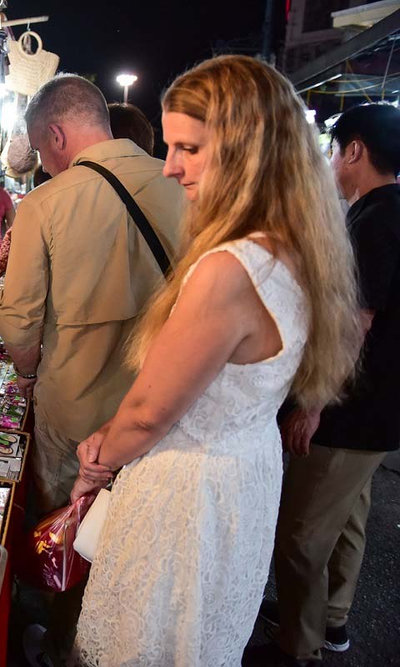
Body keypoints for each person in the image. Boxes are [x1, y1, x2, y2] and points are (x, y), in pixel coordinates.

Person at [69, 55, 362, 666]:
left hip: (189, 490)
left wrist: (98, 459)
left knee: (149, 643)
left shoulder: (231, 268)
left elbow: (150, 412)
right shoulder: (297, 249)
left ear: (248, 150)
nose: (171, 167)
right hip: (243, 476)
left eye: (190, 148)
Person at [0, 74, 183, 518]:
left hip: (74, 411)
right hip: (164, 405)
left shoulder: (44, 204)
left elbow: (19, 319)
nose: (43, 165)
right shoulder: (185, 190)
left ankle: (61, 592)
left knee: (64, 524)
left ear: (56, 134)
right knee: (137, 524)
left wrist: (27, 374)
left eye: (42, 150)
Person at [260, 103, 400, 665]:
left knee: (300, 535)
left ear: (356, 151)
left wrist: (313, 405)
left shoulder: (374, 220)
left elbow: (353, 325)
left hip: (349, 412)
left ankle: (300, 644)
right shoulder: (386, 211)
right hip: (376, 412)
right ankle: (333, 619)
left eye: (334, 150)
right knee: (346, 521)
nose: (330, 162)